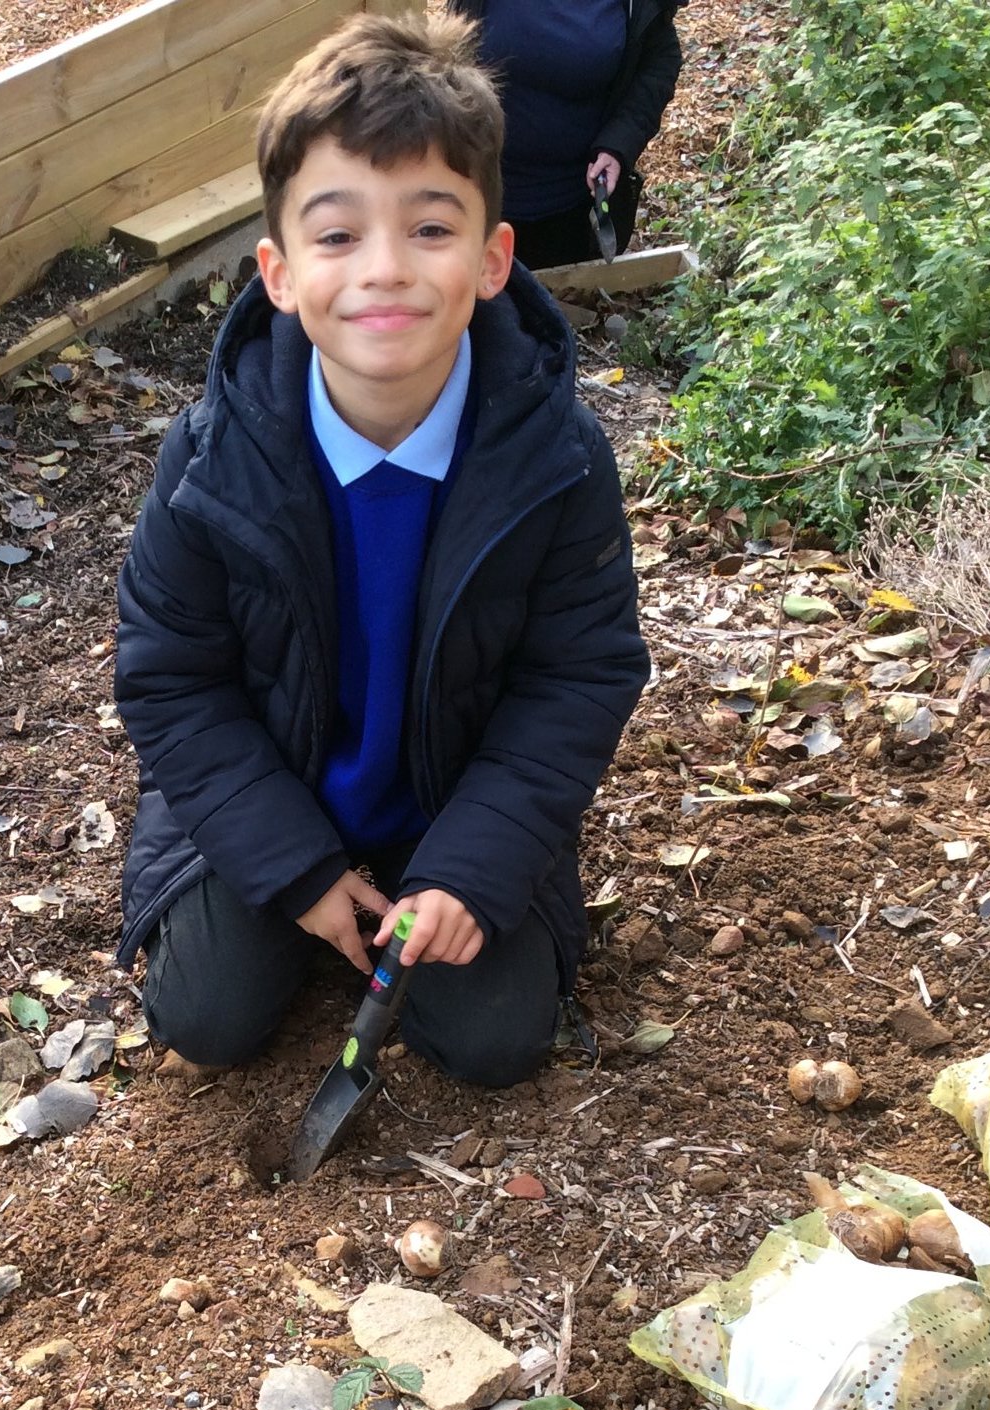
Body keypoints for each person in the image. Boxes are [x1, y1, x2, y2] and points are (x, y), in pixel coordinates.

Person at [113, 13, 649, 1090]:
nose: (388, 271)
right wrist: (295, 867)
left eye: (432, 228)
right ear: (278, 270)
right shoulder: (216, 454)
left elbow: (579, 675)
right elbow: (170, 676)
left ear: (496, 259)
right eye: (339, 233)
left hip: (457, 796)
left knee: (496, 1041)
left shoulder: (555, 454)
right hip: (277, 788)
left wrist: (473, 868)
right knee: (207, 1017)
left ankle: (424, 884)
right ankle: (311, 897)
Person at [450, 0, 685, 270]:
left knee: (562, 299)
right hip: (475, 196)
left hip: (572, 204)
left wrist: (618, 143)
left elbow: (659, 61)